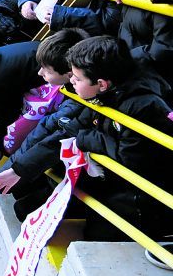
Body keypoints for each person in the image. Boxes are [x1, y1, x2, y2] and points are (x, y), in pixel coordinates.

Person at [62, 36, 173, 241]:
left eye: (77, 79)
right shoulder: (112, 91)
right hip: (123, 188)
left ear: (102, 84)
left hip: (147, 200)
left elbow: (130, 159)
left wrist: (89, 138)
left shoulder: (143, 105)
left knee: (96, 235)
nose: (71, 82)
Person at [0, 28, 90, 219]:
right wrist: (12, 168)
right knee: (17, 192)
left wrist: (16, 170)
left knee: (22, 209)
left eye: (46, 70)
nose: (40, 72)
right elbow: (45, 129)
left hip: (82, 176)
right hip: (53, 159)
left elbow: (56, 137)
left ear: (69, 73)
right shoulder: (69, 91)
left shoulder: (81, 100)